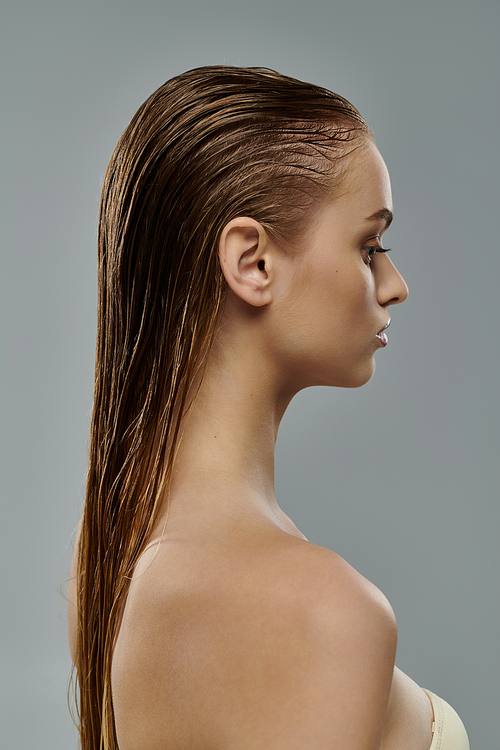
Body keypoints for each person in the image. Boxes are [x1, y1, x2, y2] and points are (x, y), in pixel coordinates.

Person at [68, 66, 469, 750]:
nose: (394, 285)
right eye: (369, 247)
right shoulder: (318, 610)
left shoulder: (118, 561)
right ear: (252, 262)